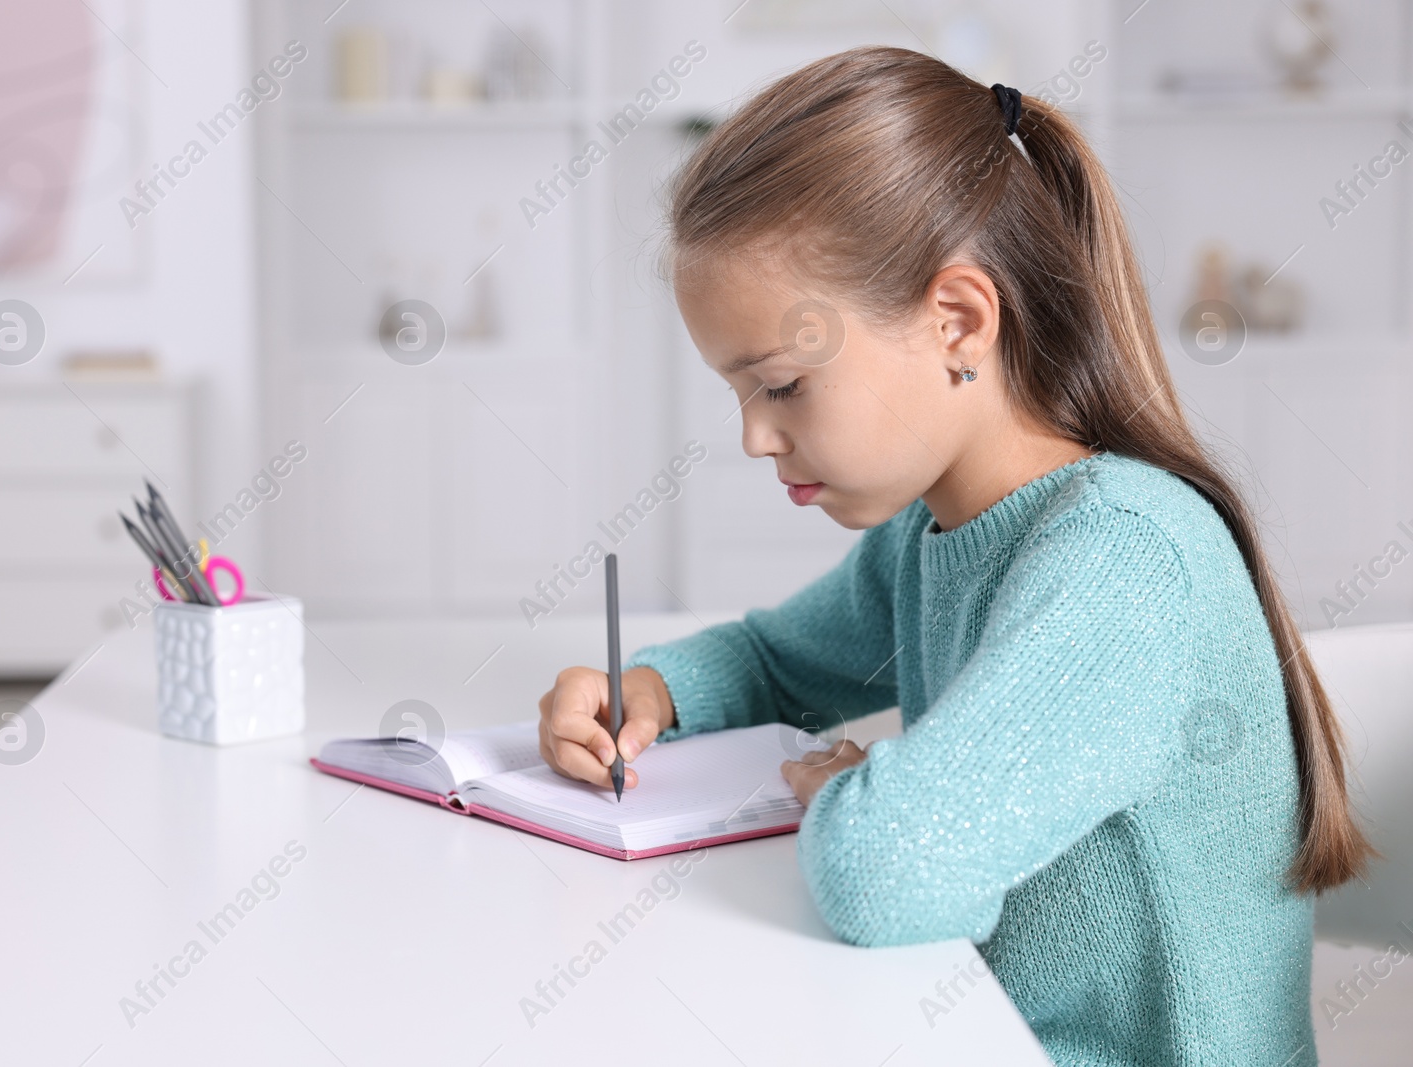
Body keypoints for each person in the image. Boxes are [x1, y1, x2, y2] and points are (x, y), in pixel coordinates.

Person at [533, 46, 1373, 1067]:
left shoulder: (1121, 558)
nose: (755, 435)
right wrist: (650, 687)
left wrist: (846, 787)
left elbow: (890, 868)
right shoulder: (930, 529)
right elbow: (776, 659)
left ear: (958, 321)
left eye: (783, 385)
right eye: (738, 393)